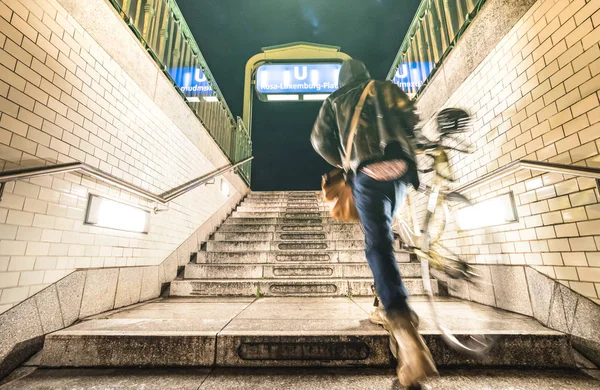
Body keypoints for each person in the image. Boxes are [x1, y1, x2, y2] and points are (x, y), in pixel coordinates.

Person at [311, 59, 438, 388]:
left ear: (342, 79)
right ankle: (385, 301)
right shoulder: (387, 88)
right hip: (399, 170)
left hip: (367, 171)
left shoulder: (335, 100)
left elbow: (320, 141)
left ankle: (402, 324)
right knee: (386, 233)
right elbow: (412, 120)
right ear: (366, 74)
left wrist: (345, 158)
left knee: (377, 241)